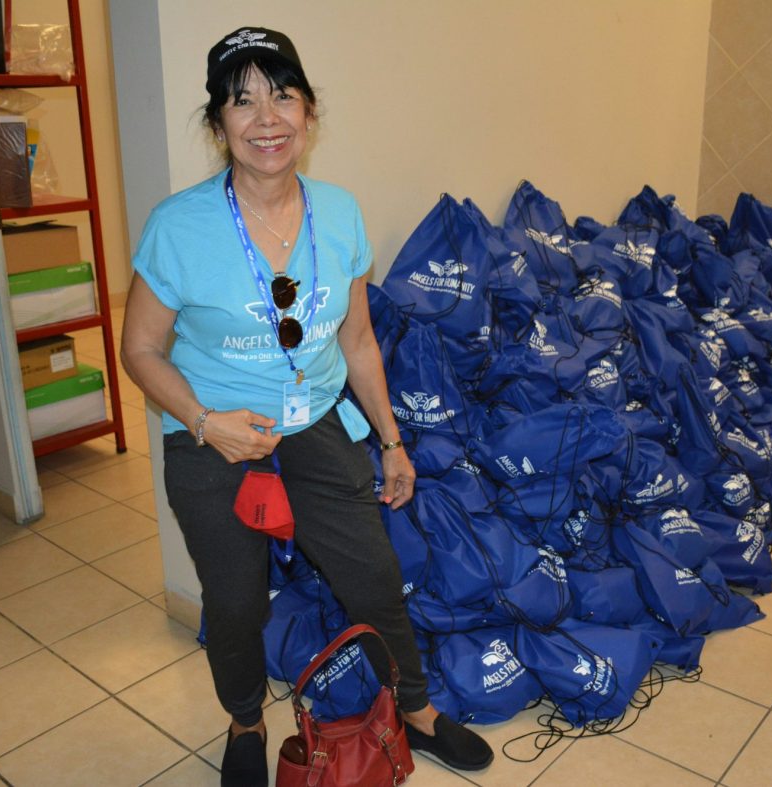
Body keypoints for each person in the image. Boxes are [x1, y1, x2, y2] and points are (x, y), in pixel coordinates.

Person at [121, 26, 493, 786]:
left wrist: (390, 439)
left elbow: (357, 340)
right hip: (212, 433)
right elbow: (140, 350)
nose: (267, 118)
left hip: (315, 417)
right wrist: (203, 423)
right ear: (217, 123)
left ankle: (417, 712)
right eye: (243, 100)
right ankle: (245, 720)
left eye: (282, 95)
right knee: (233, 602)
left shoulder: (340, 212)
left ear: (310, 111)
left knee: (374, 575)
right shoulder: (179, 227)